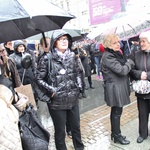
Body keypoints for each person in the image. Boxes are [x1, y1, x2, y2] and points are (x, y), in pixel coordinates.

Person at [36, 29, 84, 150]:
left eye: (66, 39)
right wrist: (52, 90)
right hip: (57, 102)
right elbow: (38, 79)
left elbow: (78, 72)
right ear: (54, 42)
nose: (64, 41)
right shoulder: (47, 58)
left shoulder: (72, 55)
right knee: (60, 132)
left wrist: (79, 87)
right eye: (61, 39)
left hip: (73, 99)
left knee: (76, 129)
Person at [101, 33, 134, 145]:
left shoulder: (115, 54)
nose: (118, 44)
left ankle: (114, 134)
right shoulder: (108, 56)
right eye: (114, 43)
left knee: (116, 111)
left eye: (118, 42)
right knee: (116, 112)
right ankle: (117, 135)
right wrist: (129, 62)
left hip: (118, 86)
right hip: (115, 88)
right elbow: (122, 70)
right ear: (108, 44)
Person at [128, 31, 150, 143]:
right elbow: (130, 70)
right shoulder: (135, 54)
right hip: (142, 92)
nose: (141, 43)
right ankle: (143, 134)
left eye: (144, 41)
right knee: (142, 113)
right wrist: (139, 74)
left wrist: (147, 75)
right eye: (140, 41)